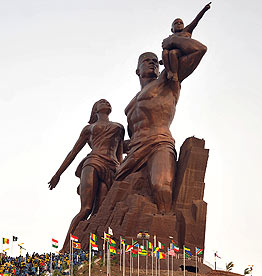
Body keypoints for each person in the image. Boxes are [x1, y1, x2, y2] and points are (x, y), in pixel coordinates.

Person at [116, 33, 207, 213]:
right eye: (147, 61)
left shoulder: (168, 81)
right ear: (137, 70)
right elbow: (130, 137)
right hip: (134, 152)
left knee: (161, 187)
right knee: (110, 191)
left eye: (156, 61)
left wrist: (173, 41)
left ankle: (165, 228)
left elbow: (199, 50)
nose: (152, 63)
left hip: (159, 143)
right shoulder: (130, 106)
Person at [48, 99, 124, 252]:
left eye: (108, 102)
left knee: (100, 212)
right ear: (95, 110)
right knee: (86, 208)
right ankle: (65, 248)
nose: (106, 103)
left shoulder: (119, 127)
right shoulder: (89, 129)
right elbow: (73, 152)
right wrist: (58, 174)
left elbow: (120, 153)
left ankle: (93, 247)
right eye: (101, 102)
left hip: (112, 168)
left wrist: (121, 172)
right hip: (93, 162)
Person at [161, 2, 211, 81]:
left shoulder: (186, 31)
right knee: (166, 52)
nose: (179, 24)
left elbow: (196, 20)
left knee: (173, 53)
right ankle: (169, 72)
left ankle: (174, 73)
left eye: (181, 23)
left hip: (183, 52)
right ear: (172, 29)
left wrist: (204, 9)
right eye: (176, 23)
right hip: (172, 55)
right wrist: (163, 60)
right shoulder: (169, 38)